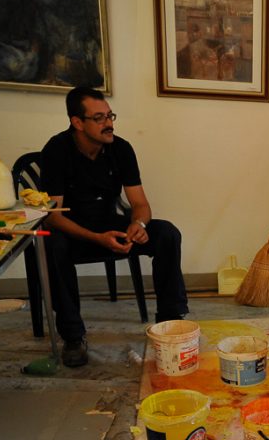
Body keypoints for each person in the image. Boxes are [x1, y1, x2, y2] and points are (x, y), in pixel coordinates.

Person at [40, 87, 188, 367]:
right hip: (73, 231)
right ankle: (73, 336)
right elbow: (52, 216)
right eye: (99, 118)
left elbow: (140, 204)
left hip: (110, 224)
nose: (108, 123)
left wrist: (138, 224)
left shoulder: (120, 148)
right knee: (51, 243)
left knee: (167, 233)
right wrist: (96, 238)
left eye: (110, 116)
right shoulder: (57, 150)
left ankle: (170, 321)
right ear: (77, 122)